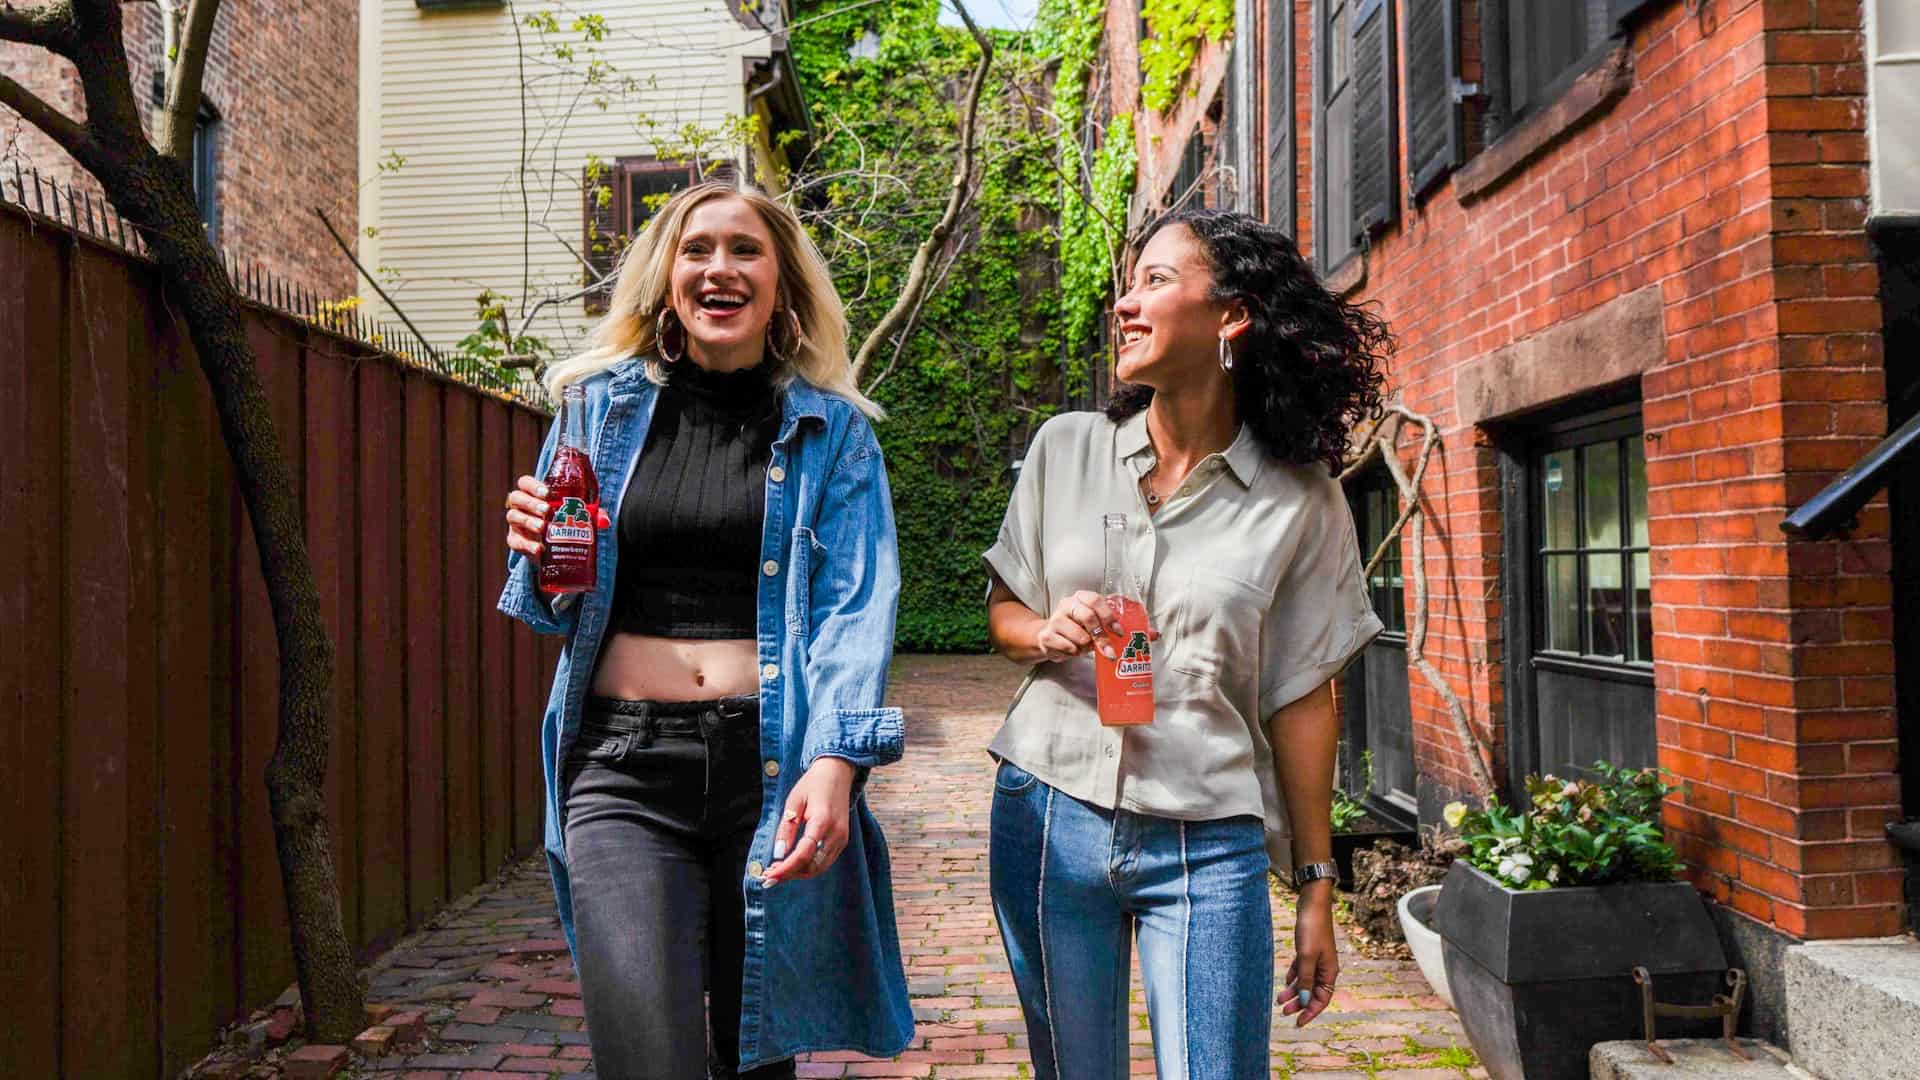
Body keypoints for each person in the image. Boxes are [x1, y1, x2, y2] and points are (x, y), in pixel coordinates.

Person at [496, 180, 913, 1079]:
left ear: (783, 285)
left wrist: (836, 764)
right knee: (649, 1053)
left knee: (758, 1059)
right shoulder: (594, 410)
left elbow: (855, 609)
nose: (719, 268)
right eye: (697, 250)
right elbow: (549, 604)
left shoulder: (832, 434)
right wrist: (536, 552)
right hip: (620, 770)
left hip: (771, 768)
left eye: (745, 250)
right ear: (665, 279)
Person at [981, 207, 1391, 1078]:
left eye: (1156, 281)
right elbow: (1006, 610)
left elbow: (1303, 698)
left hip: (1207, 839)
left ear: (1231, 315)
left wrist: (1317, 891)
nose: (1126, 304)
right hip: (1049, 811)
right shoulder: (1066, 449)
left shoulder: (1301, 502)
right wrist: (1044, 631)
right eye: (1127, 285)